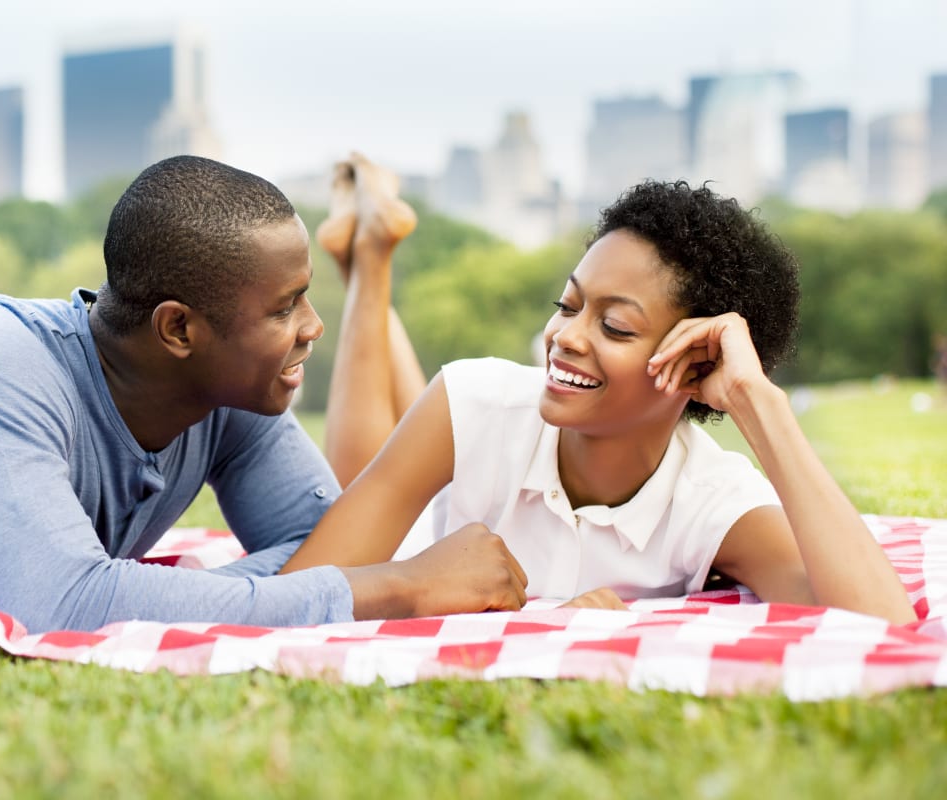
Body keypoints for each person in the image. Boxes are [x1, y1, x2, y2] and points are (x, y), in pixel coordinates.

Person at [0, 156, 528, 633]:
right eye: (284, 306)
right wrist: (397, 586)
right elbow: (59, 610)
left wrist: (145, 594)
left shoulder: (228, 393)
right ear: (178, 328)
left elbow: (327, 550)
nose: (311, 327)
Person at [282, 154, 915, 625]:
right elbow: (304, 590)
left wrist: (758, 400)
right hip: (417, 544)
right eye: (568, 305)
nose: (565, 337)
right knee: (358, 470)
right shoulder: (473, 400)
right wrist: (431, 590)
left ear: (693, 367)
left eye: (613, 325)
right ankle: (371, 256)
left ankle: (370, 245)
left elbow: (879, 622)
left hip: (477, 459)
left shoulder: (710, 500)